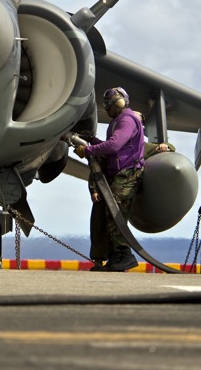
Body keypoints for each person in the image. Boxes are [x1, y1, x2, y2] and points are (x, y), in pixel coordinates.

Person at [75, 87, 169, 272]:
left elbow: (115, 145)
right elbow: (115, 146)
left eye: (109, 105)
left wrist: (88, 150)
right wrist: (92, 140)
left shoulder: (126, 120)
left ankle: (124, 255)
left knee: (115, 213)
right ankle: (115, 257)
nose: (107, 109)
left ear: (118, 103)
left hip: (128, 173)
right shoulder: (119, 121)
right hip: (120, 172)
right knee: (110, 214)